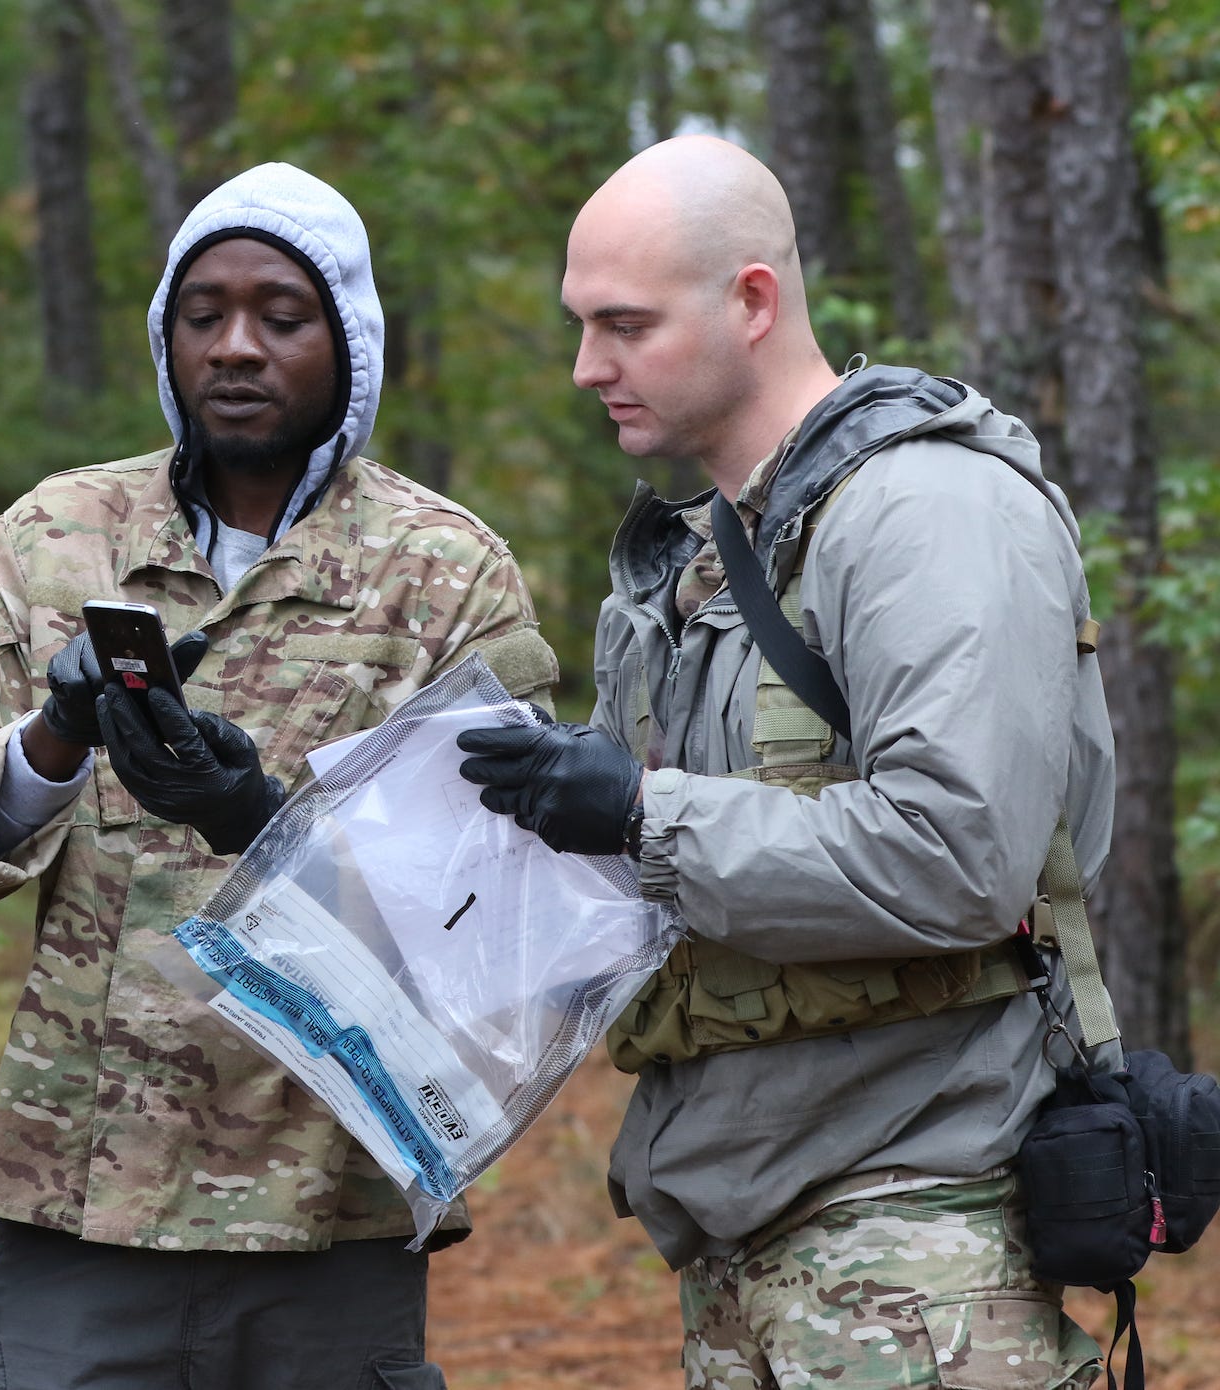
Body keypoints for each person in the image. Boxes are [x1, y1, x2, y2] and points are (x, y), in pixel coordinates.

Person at [454, 135, 1117, 1389]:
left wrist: (642, 814)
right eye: (581, 324)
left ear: (750, 301)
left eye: (623, 325)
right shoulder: (705, 555)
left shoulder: (927, 511)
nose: (585, 366)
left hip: (919, 1239)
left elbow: (961, 857)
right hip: (752, 1235)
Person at [0, 162, 558, 1389]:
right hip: (79, 1200)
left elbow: (502, 919)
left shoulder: (445, 573)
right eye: (201, 315)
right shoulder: (52, 537)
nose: (235, 347)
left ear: (347, 340)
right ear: (166, 337)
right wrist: (54, 737)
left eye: (280, 316)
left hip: (330, 1207)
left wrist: (261, 823)